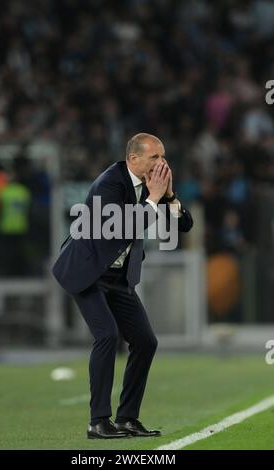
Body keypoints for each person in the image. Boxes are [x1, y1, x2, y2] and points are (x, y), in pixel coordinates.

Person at [53, 133, 193, 439]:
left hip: (117, 277)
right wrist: (155, 199)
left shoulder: (150, 186)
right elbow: (123, 227)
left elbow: (183, 225)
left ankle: (127, 418)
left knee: (145, 341)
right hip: (87, 272)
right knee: (107, 335)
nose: (162, 163)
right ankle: (98, 422)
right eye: (155, 157)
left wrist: (168, 197)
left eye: (163, 156)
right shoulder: (109, 184)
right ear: (134, 159)